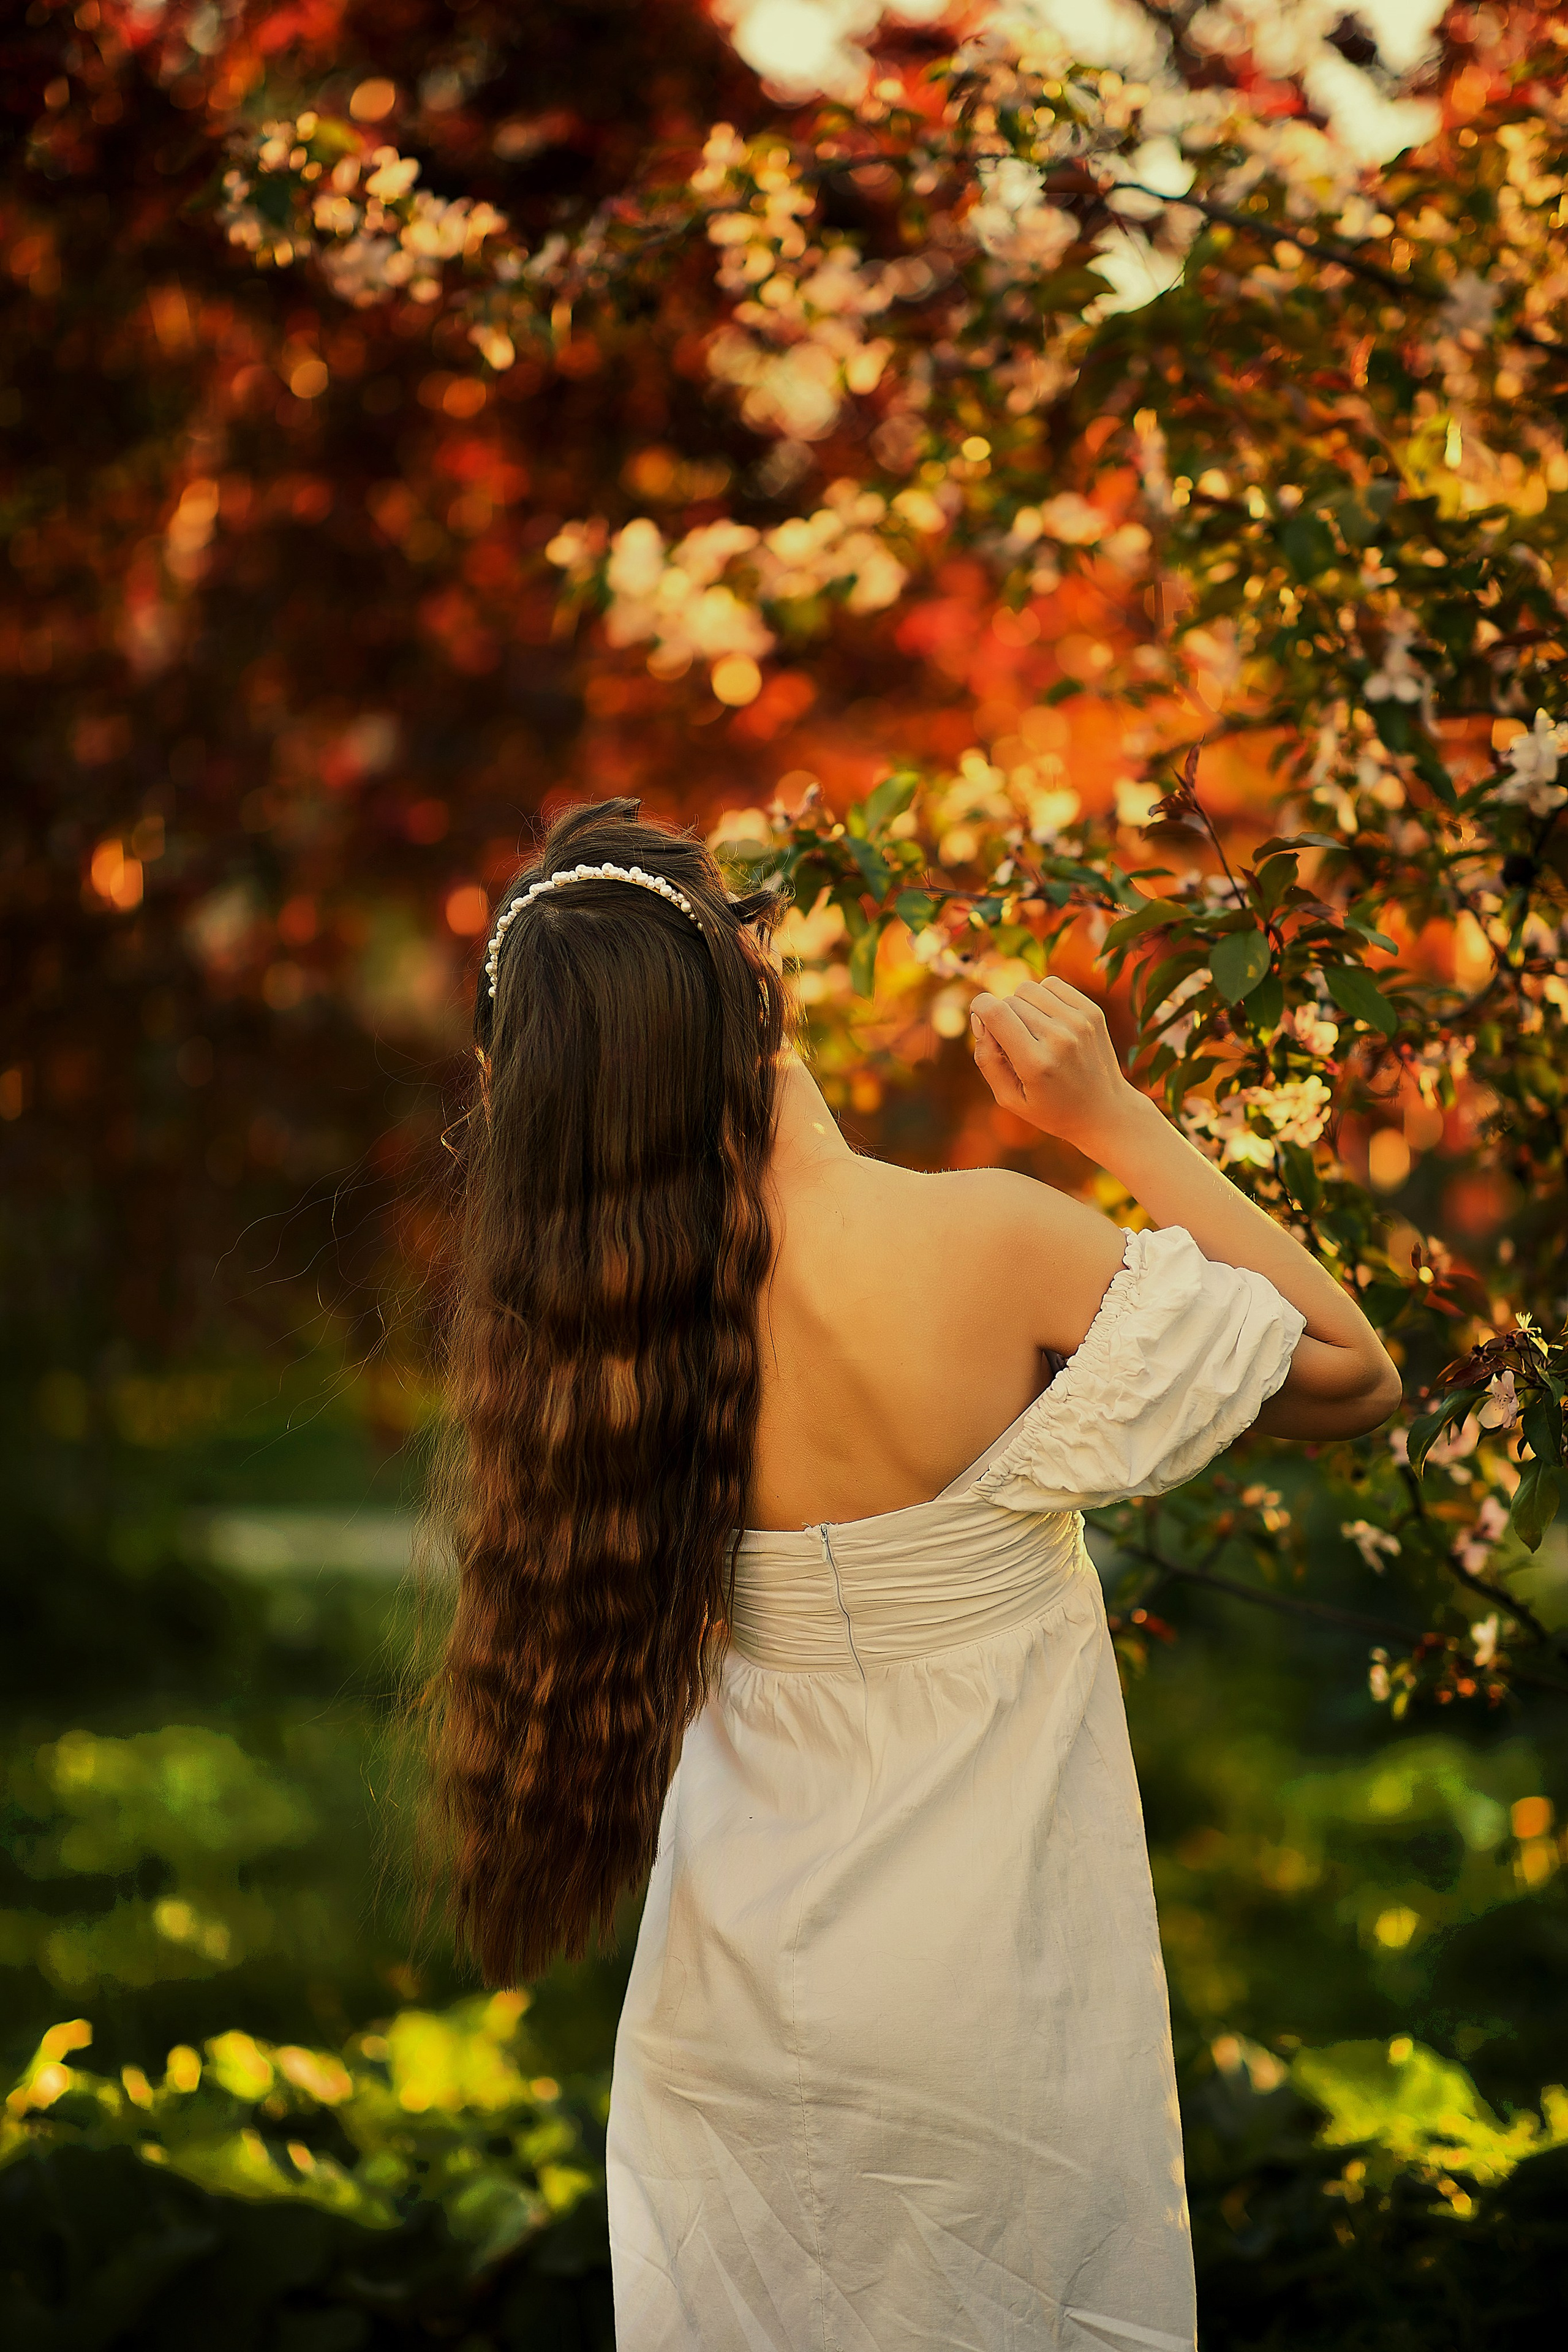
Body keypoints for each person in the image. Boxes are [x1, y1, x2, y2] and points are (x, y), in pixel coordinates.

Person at [421, 797, 1400, 2352]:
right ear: (754, 981)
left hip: (730, 2009)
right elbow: (1353, 1374)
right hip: (987, 2008)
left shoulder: (600, 1343)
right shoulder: (983, 1241)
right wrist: (1109, 1117)